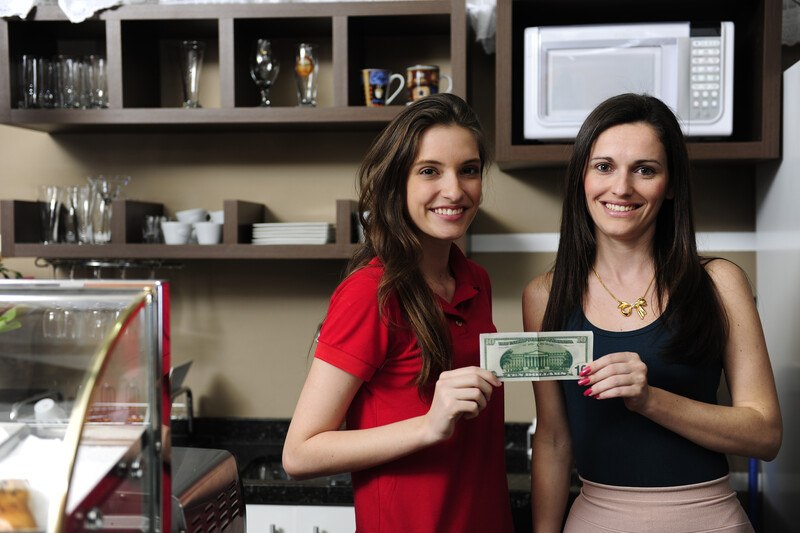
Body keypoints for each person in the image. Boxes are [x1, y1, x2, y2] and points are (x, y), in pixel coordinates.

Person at [522, 93, 782, 532]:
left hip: (710, 521)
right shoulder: (545, 295)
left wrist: (650, 400)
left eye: (645, 169)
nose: (621, 187)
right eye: (604, 166)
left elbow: (765, 434)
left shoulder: (719, 283)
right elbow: (552, 439)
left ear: (671, 184)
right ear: (581, 178)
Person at [282, 93, 514, 532]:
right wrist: (429, 425)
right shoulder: (370, 292)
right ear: (397, 184)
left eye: (469, 170)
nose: (455, 190)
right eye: (430, 171)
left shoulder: (475, 280)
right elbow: (299, 453)